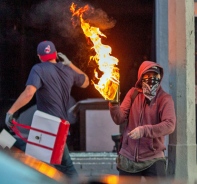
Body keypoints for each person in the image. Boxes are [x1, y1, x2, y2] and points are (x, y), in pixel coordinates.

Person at [5, 40, 89, 178]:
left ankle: (3, 140)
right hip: (58, 127)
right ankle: (3, 140)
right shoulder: (68, 70)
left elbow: (28, 93)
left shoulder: (38, 69)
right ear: (56, 54)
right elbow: (86, 81)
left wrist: (10, 112)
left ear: (39, 56)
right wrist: (71, 64)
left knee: (66, 168)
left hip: (49, 126)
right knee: (36, 154)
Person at [109, 61, 176, 182]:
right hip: (128, 157)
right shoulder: (132, 94)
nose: (151, 79)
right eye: (147, 75)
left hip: (153, 158)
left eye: (155, 76)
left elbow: (169, 125)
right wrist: (113, 103)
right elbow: (119, 119)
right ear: (140, 78)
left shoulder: (164, 98)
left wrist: (144, 130)